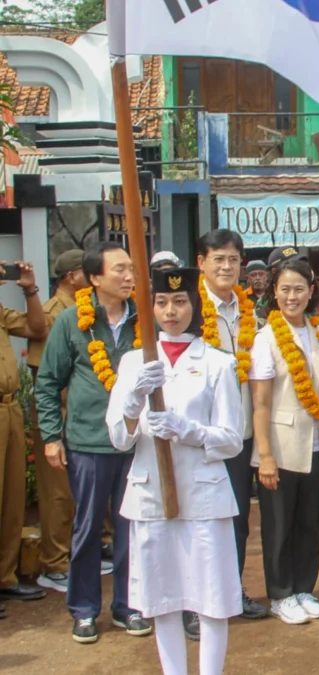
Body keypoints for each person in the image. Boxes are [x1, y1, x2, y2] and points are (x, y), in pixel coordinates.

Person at [105, 266, 243, 675]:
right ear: (149, 308)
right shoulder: (133, 363)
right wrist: (133, 401)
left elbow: (232, 439)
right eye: (162, 302)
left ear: (194, 306)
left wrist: (189, 430)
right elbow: (118, 439)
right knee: (162, 597)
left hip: (203, 493)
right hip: (151, 494)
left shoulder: (218, 362)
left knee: (212, 598)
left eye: (180, 301)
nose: (171, 311)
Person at [36, 241, 152, 642]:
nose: (128, 276)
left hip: (137, 441)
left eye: (132, 270)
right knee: (87, 528)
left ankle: (129, 605)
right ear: (95, 278)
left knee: (132, 528)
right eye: (119, 270)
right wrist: (52, 436)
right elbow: (48, 382)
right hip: (88, 441)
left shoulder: (146, 318)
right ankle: (84, 609)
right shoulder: (72, 322)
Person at [249, 258, 319, 624]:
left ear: (312, 292)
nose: (292, 296)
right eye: (284, 289)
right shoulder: (265, 338)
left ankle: (304, 588)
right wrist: (264, 454)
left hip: (317, 444)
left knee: (308, 522)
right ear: (274, 292)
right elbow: (261, 402)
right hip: (282, 446)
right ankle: (281, 594)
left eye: (299, 289)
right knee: (279, 525)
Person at [195, 229, 268, 623]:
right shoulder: (187, 306)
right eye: (218, 259)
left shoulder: (249, 310)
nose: (226, 266)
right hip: (198, 438)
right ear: (201, 263)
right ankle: (195, 603)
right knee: (198, 523)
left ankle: (232, 592)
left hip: (238, 435)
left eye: (233, 260)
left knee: (237, 521)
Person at [28, 250, 88, 595]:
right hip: (57, 412)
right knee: (58, 494)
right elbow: (45, 372)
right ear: (70, 276)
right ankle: (54, 563)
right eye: (85, 270)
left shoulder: (81, 308)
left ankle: (71, 555)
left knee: (76, 492)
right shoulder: (54, 313)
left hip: (76, 413)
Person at [0, 257, 46, 613]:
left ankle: (5, 577)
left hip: (11, 407)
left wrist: (29, 288)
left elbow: (37, 328)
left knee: (13, 497)